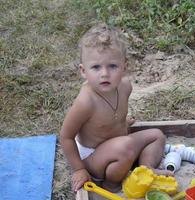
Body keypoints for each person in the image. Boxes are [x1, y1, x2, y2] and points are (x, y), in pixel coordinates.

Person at [60, 23, 172, 193]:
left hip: (119, 146)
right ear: (83, 71)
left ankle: (146, 168)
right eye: (96, 67)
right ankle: (112, 185)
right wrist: (79, 169)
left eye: (112, 66)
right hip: (93, 157)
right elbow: (66, 136)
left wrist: (122, 121)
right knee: (125, 146)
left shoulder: (125, 86)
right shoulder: (86, 102)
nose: (104, 73)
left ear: (124, 67)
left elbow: (112, 114)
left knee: (157, 135)